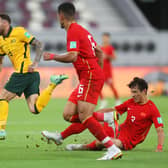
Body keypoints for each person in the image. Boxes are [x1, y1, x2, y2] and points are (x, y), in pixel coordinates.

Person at [42, 2, 122, 160]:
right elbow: (98, 51)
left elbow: (73, 56)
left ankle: (112, 148)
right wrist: (98, 70)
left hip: (90, 76)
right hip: (88, 77)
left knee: (85, 116)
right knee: (68, 114)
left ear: (61, 16)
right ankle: (103, 118)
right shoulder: (83, 31)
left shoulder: (73, 31)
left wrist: (53, 57)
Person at [0, 14, 68, 140]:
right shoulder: (1, 40)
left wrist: (36, 62)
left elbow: (39, 44)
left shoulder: (19, 32)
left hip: (23, 72)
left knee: (2, 98)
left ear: (5, 23)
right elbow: (0, 59)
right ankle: (52, 85)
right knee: (34, 109)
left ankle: (1, 130)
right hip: (31, 75)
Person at [65, 77, 164, 152]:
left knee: (104, 142)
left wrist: (159, 147)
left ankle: (83, 147)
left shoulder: (152, 109)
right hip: (118, 131)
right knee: (91, 119)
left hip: (128, 141)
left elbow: (160, 130)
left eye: (135, 92)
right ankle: (63, 134)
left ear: (144, 91)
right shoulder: (131, 102)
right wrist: (94, 113)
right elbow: (113, 110)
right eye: (131, 92)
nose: (133, 95)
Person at [99, 32, 120, 108]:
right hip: (101, 71)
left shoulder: (110, 48)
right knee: (98, 87)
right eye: (103, 37)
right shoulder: (100, 48)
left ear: (108, 38)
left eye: (106, 37)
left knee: (111, 86)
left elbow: (114, 57)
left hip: (108, 71)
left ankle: (118, 100)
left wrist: (107, 56)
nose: (104, 39)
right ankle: (103, 101)